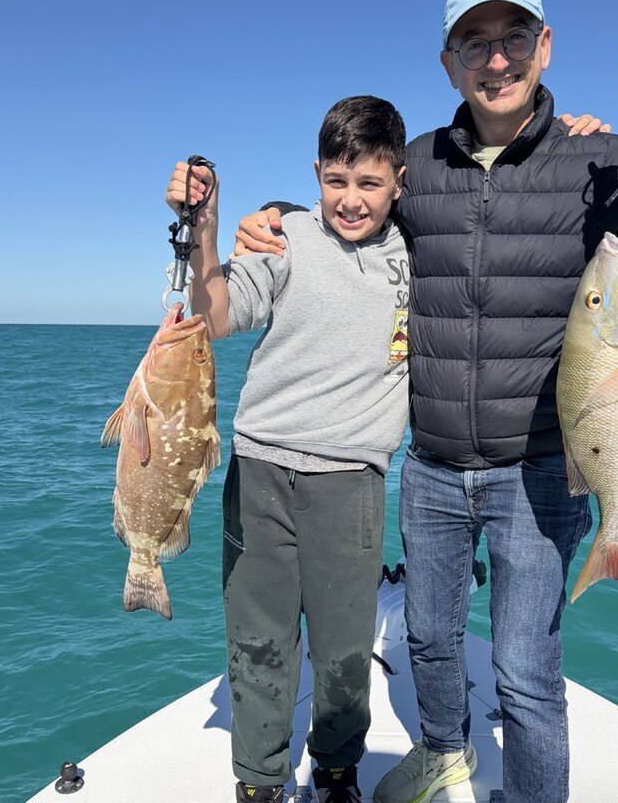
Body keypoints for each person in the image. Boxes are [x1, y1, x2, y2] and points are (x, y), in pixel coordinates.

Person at [232, 0, 618, 803]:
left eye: (515, 37)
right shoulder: (415, 168)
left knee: (525, 671)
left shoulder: (601, 162)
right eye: (475, 42)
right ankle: (446, 753)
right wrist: (268, 217)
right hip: (432, 466)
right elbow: (346, 210)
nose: (498, 59)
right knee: (432, 641)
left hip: (543, 472)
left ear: (545, 48)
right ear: (448, 62)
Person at [164, 96, 414, 803]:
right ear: (317, 175)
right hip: (261, 474)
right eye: (337, 181)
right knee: (258, 642)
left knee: (343, 652)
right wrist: (206, 228)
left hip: (352, 486)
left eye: (369, 183)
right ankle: (260, 782)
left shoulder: (416, 257)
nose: (352, 199)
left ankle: (336, 773)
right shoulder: (287, 237)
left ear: (399, 180)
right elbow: (216, 314)